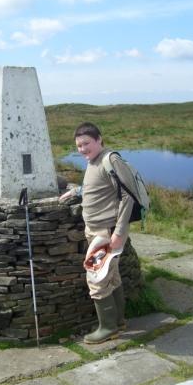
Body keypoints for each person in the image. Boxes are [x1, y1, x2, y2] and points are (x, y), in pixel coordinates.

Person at [60, 122, 137, 344]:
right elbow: (98, 188)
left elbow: (127, 196)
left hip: (106, 232)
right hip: (97, 231)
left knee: (95, 277)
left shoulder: (110, 160)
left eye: (86, 143)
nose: (82, 149)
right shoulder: (94, 162)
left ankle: (108, 328)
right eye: (79, 145)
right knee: (111, 276)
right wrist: (76, 191)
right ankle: (119, 321)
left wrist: (119, 233)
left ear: (99, 139)